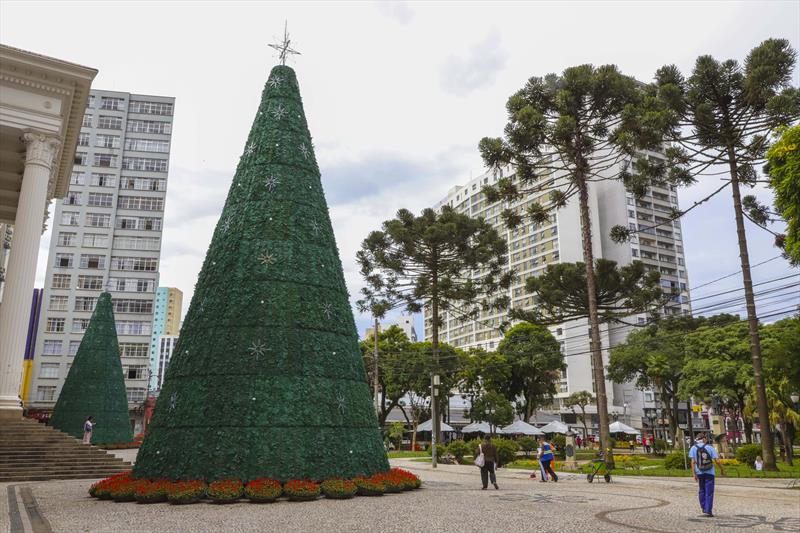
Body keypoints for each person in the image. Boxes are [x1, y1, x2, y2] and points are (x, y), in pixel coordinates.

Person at [689, 433, 725, 517]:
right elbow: (717, 461)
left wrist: (694, 473)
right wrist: (722, 470)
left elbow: (693, 462)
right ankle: (708, 510)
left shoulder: (693, 448)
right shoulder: (710, 447)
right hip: (709, 473)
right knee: (709, 492)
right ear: (704, 439)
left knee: (701, 490)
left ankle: (703, 507)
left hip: (699, 472)